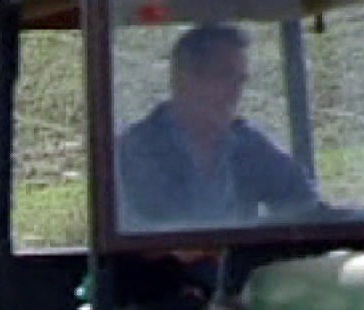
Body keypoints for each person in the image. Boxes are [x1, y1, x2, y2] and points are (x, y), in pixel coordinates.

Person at [117, 23, 318, 231]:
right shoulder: (138, 149)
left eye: (240, 81)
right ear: (185, 79)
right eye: (224, 76)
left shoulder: (247, 143)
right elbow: (149, 232)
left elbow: (305, 204)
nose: (235, 92)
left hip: (239, 262)